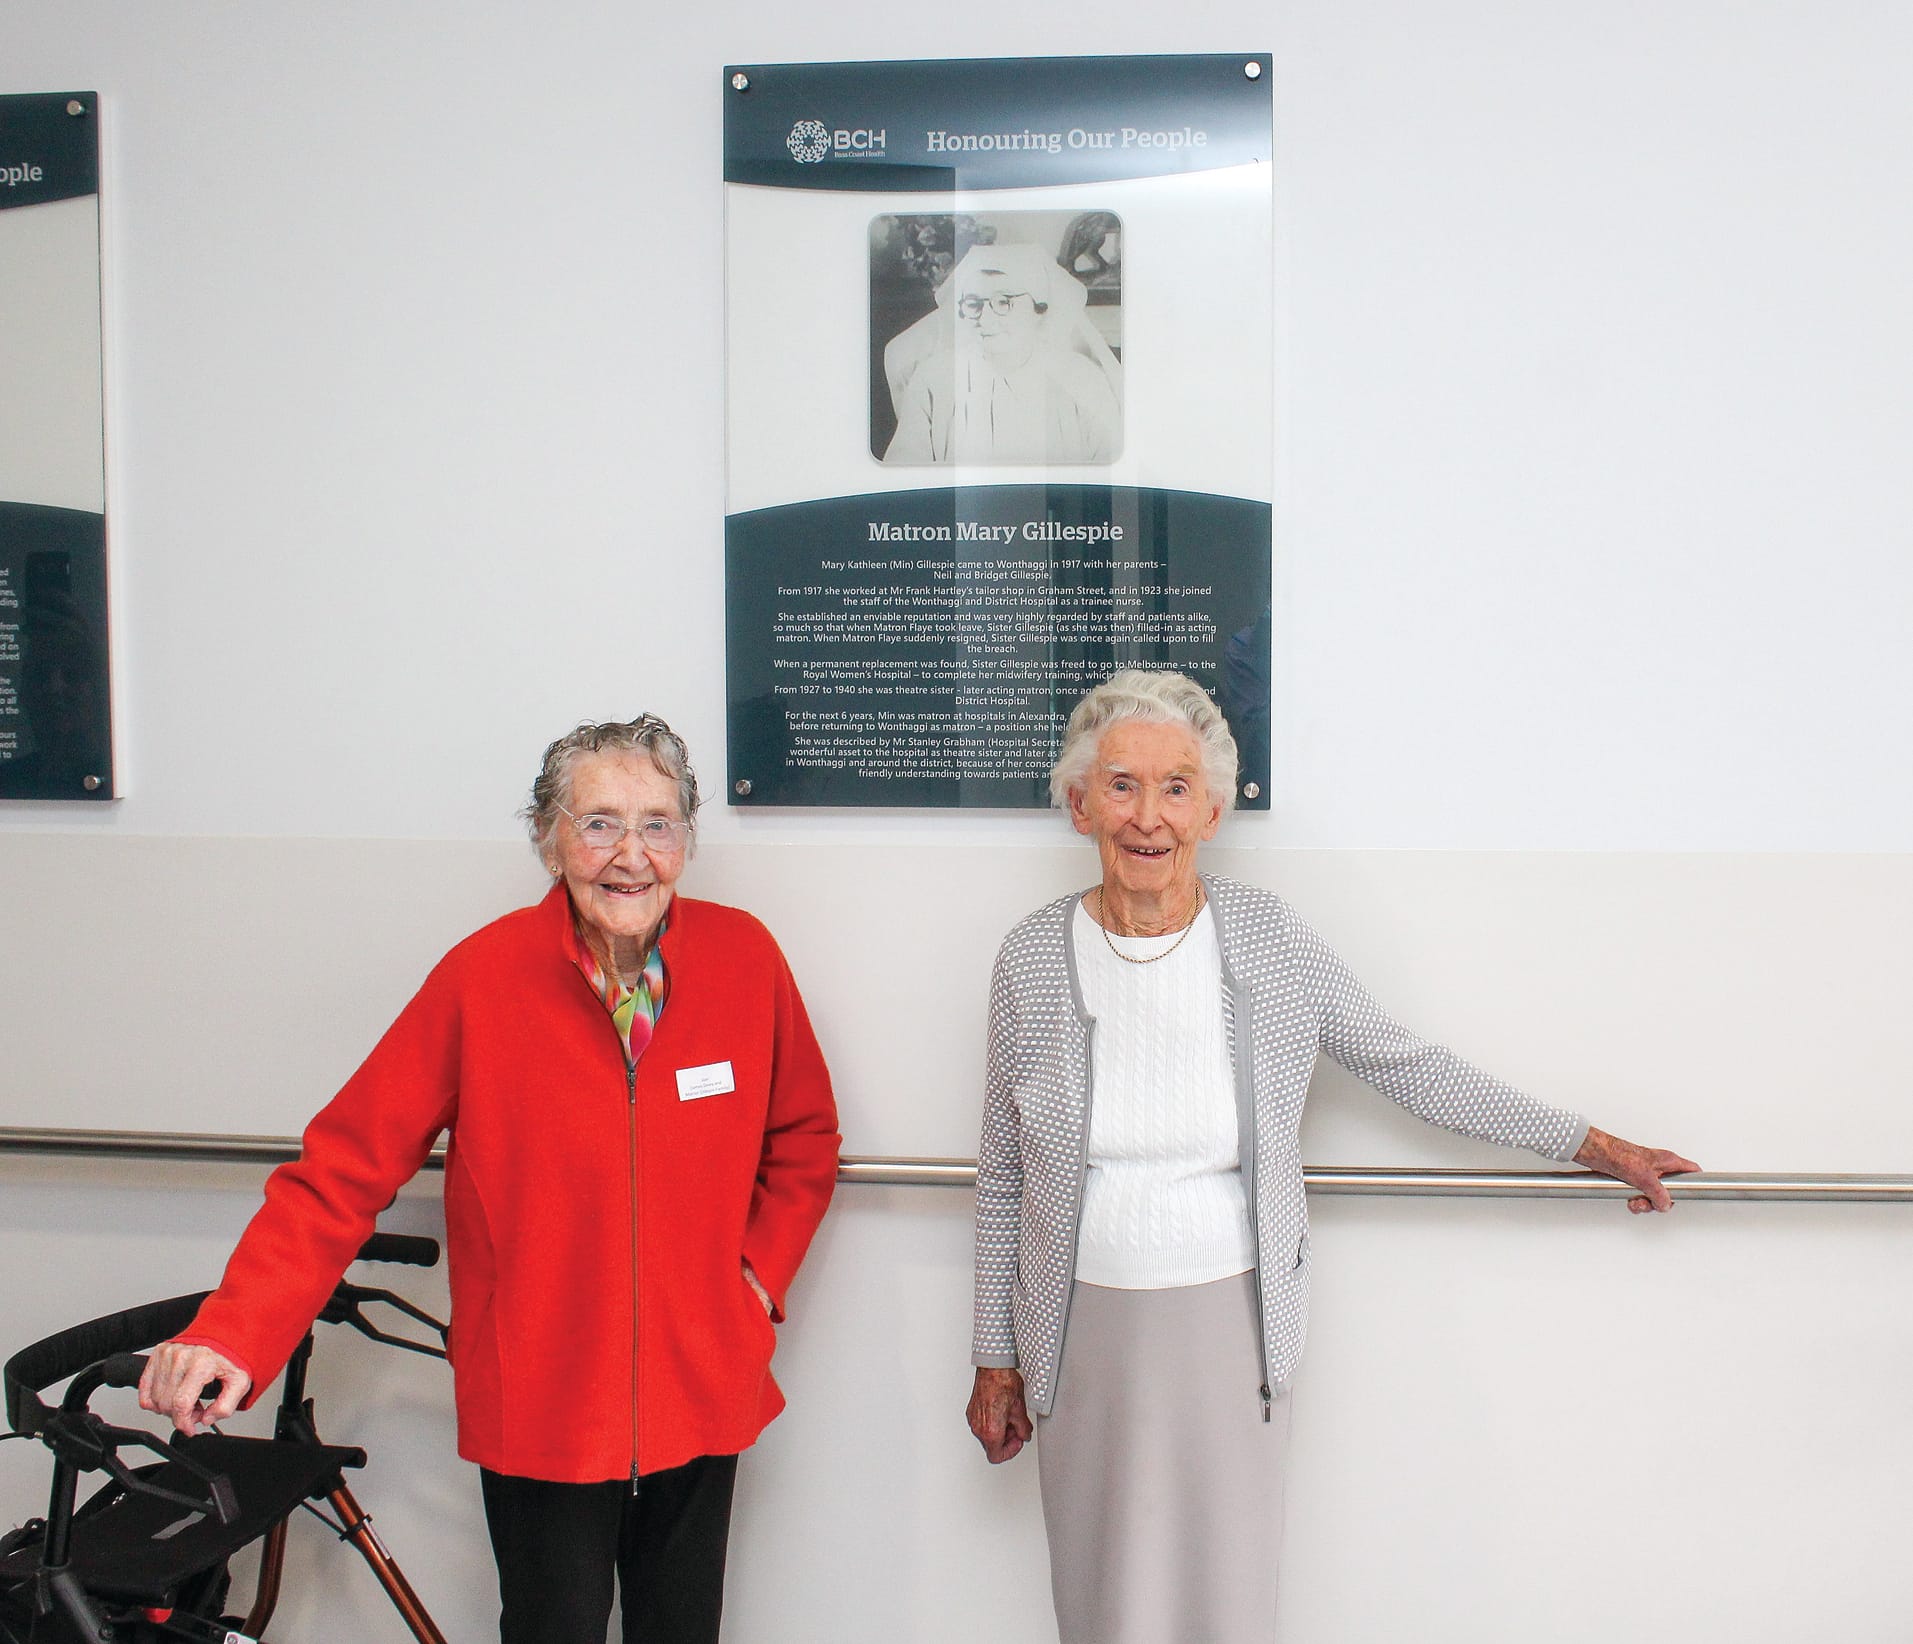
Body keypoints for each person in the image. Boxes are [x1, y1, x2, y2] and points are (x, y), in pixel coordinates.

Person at [965, 671, 1697, 1644]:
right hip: (1078, 1326)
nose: (1148, 816)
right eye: (1121, 785)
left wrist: (1589, 1143)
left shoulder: (1265, 940)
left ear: (1214, 810)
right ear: (1077, 804)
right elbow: (1003, 1172)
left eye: (1176, 788)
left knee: (1221, 1595)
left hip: (1227, 1321)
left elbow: (1407, 1065)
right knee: (1104, 1602)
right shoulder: (1029, 955)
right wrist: (993, 1357)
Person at [140, 715, 841, 1644]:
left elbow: (803, 1136)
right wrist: (233, 1332)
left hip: (701, 1383)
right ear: (549, 839)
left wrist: (755, 1280)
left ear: (686, 840)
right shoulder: (482, 977)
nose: (630, 855)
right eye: (598, 824)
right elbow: (343, 1169)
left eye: (657, 824)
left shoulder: (745, 958)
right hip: (544, 1400)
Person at [883, 242, 1121, 465]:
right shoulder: (934, 378)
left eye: (1004, 302)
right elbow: (904, 470)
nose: (985, 319)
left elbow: (1111, 469)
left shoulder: (1082, 380)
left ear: (1039, 309)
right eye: (974, 304)